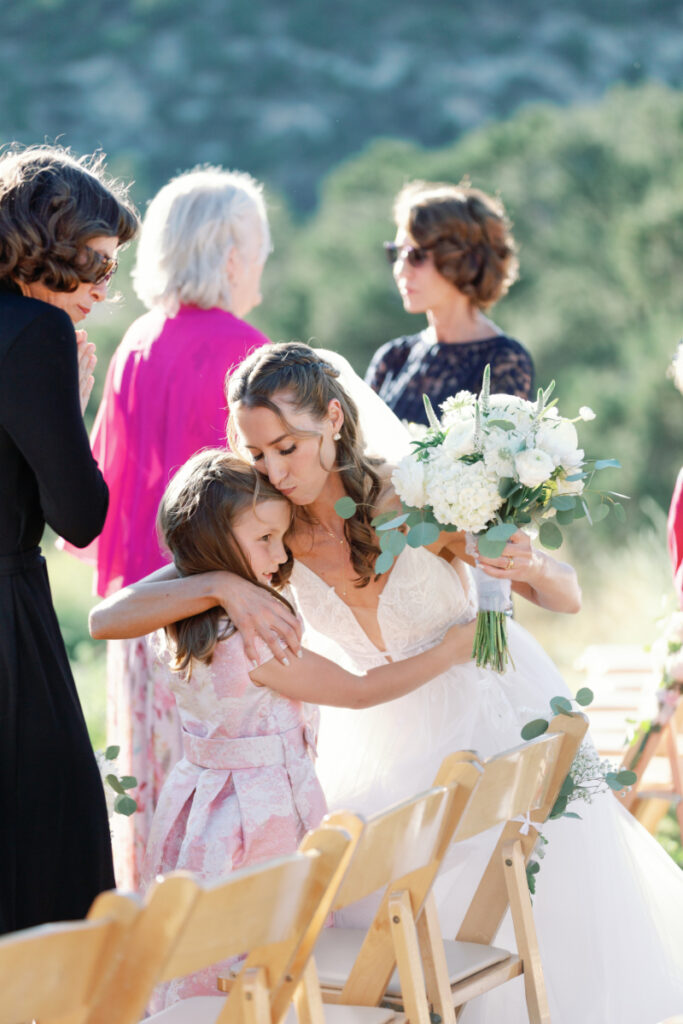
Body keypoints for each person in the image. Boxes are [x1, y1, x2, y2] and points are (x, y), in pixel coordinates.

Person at [89, 343, 683, 1022]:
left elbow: (566, 596)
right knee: (379, 911)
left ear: (333, 419)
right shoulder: (261, 531)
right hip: (375, 732)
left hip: (490, 708)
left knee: (542, 910)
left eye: (287, 447)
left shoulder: (415, 497)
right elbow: (109, 616)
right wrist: (220, 583)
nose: (275, 472)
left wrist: (532, 564)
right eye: (257, 456)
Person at [116, 447, 475, 1008]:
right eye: (264, 540)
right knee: (265, 952)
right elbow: (358, 693)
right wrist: (450, 651)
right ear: (212, 545)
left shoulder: (190, 611)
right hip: (256, 817)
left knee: (220, 952)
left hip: (206, 807)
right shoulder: (251, 634)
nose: (280, 554)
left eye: (281, 537)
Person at [64, 166, 298, 890]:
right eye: (258, 245)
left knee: (157, 804)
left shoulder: (134, 342)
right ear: (231, 252)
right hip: (221, 622)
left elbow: (102, 485)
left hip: (142, 614)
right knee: (225, 816)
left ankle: (153, 978)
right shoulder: (247, 353)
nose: (262, 261)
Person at [0, 143, 138, 933]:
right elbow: (79, 515)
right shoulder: (35, 333)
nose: (101, 288)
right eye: (95, 264)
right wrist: (75, 411)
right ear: (45, 246)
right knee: (52, 851)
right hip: (8, 624)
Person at [365, 179, 534, 424]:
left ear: (462, 261)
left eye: (417, 255)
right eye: (396, 252)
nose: (400, 269)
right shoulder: (391, 358)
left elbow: (497, 459)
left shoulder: (504, 360)